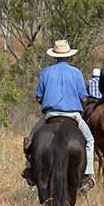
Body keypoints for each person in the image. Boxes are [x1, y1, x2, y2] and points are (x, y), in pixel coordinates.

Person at [21, 40, 96, 190]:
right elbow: (84, 98)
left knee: (30, 140)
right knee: (89, 140)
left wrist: (46, 102)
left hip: (51, 115)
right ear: (68, 56)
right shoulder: (76, 72)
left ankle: (29, 169)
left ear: (54, 56)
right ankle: (87, 175)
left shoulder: (46, 72)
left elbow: (38, 97)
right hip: (73, 116)